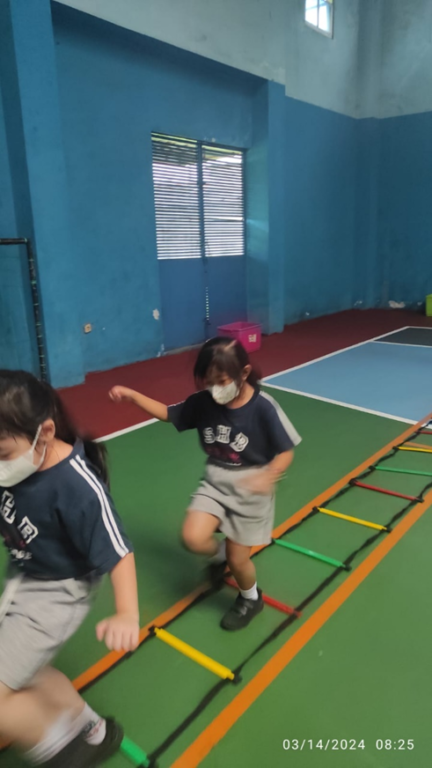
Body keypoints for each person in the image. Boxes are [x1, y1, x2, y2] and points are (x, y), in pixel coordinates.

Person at [110, 337, 300, 631]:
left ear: (244, 373)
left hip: (251, 490)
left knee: (239, 561)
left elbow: (286, 451)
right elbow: (168, 414)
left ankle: (251, 598)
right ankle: (220, 554)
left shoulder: (263, 407)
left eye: (221, 381)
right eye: (208, 382)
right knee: (193, 538)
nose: (215, 389)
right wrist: (133, 396)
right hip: (216, 481)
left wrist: (269, 474)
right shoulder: (204, 402)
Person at [0, 370, 140, 767]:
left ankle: (61, 747)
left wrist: (127, 613)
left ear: (44, 432)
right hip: (26, 576)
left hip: (58, 593)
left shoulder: (76, 485)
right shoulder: (18, 459)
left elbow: (119, 551)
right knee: (27, 670)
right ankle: (90, 727)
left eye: (3, 454)